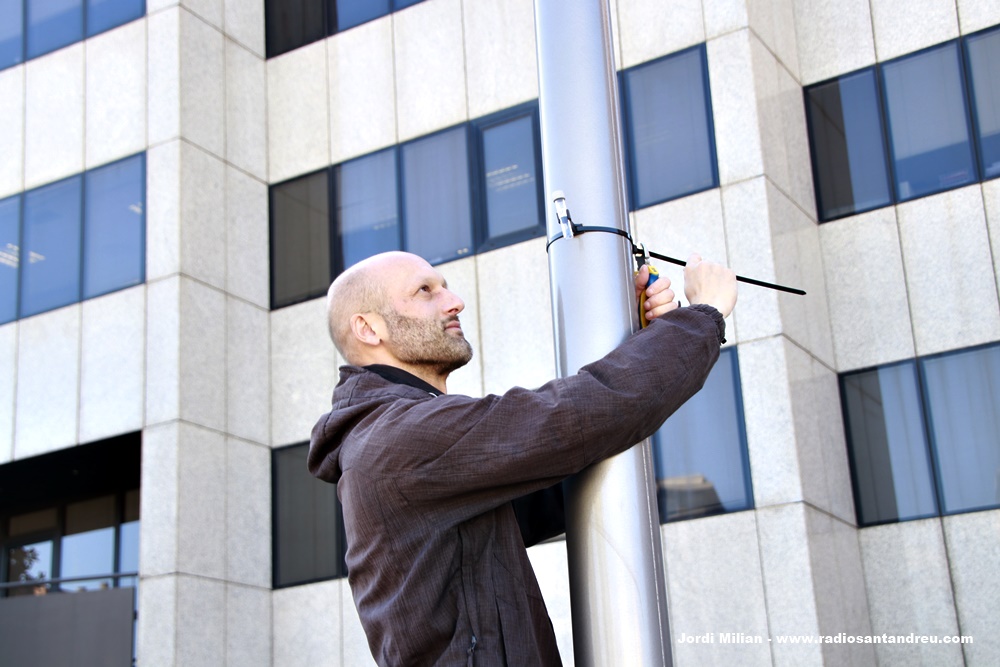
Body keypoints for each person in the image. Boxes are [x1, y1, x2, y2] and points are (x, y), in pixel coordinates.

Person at [309, 250, 737, 666]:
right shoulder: (399, 436)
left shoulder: (393, 440)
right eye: (424, 290)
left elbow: (564, 475)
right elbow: (588, 410)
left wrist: (647, 339)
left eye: (446, 287)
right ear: (368, 328)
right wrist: (703, 314)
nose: (454, 301)